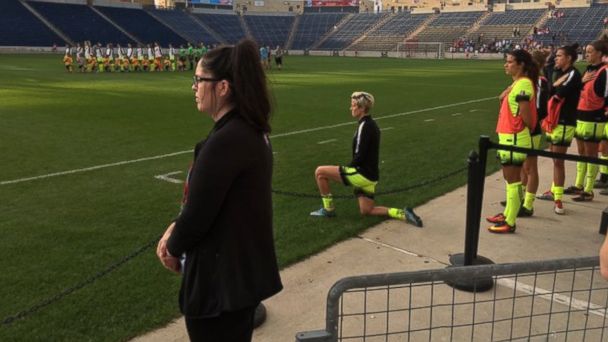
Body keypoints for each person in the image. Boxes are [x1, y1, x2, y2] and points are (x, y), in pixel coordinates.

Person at [156, 39, 282, 341]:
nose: (194, 87)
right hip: (237, 280)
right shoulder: (247, 130)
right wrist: (177, 227)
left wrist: (172, 247)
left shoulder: (228, 140)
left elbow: (198, 215)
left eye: (199, 80)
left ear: (223, 87)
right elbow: (216, 202)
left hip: (220, 288)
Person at [309, 91, 423, 227]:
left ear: (362, 108)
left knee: (320, 172)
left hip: (362, 174)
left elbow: (360, 155)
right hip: (371, 177)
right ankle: (403, 213)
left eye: (353, 105)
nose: (351, 108)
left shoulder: (365, 126)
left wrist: (346, 170)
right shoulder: (370, 124)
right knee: (367, 210)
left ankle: (328, 210)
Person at [486, 50, 538, 233]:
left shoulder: (523, 84)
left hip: (515, 137)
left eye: (509, 62)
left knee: (514, 180)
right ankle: (508, 213)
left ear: (521, 64)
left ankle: (511, 221)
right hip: (509, 136)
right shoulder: (518, 83)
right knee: (510, 179)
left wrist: (523, 127)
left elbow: (528, 118)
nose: (506, 65)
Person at [537, 44, 582, 214]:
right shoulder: (560, 72)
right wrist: (554, 80)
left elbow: (557, 93)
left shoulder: (573, 74)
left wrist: (555, 84)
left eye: (560, 55)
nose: (556, 58)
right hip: (554, 120)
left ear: (569, 58)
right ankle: (554, 191)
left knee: (558, 161)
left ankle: (559, 199)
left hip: (564, 121)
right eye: (556, 55)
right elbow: (549, 80)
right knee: (555, 160)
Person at [563, 39, 608, 201]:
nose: (586, 54)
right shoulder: (588, 70)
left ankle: (588, 190)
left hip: (594, 117)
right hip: (580, 116)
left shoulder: (604, 71)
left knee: (591, 154)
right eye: (586, 51)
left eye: (590, 52)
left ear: (600, 54)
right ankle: (579, 184)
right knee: (581, 152)